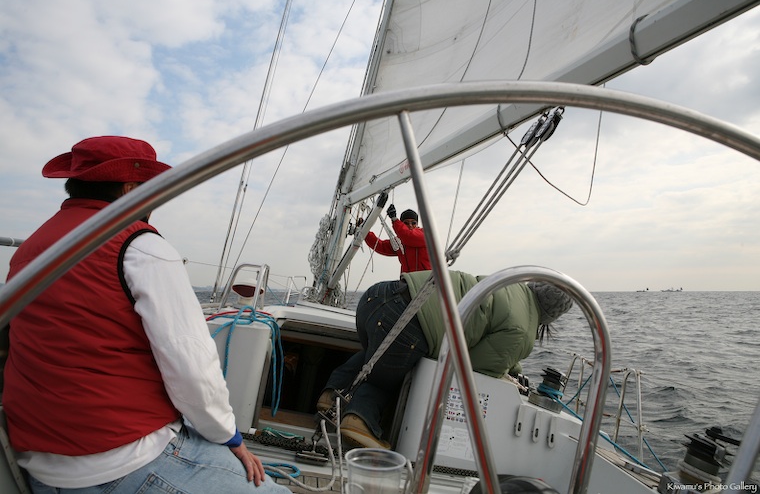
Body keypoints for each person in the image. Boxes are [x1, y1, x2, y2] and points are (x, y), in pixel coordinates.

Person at [2, 136, 290, 494]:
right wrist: (230, 437)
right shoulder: (141, 247)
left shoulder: (29, 251)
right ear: (130, 190)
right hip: (122, 462)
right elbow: (192, 370)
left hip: (40, 465)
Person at [316, 270, 573, 449]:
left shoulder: (508, 286)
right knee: (390, 372)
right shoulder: (523, 332)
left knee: (381, 352)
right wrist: (504, 374)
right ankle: (359, 420)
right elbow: (474, 366)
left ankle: (332, 393)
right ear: (552, 316)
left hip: (377, 298)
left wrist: (512, 365)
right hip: (407, 320)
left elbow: (493, 329)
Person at [363, 204, 431, 273]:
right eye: (406, 223)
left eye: (413, 223)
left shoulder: (425, 235)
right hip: (408, 278)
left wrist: (394, 219)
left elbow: (408, 236)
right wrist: (364, 232)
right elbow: (380, 246)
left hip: (426, 277)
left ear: (417, 224)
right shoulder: (399, 241)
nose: (410, 225)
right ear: (402, 224)